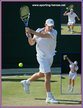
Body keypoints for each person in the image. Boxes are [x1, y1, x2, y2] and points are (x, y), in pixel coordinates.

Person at [21, 19, 59, 104]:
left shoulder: (54, 32)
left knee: (42, 74)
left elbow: (42, 36)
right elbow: (31, 43)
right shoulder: (38, 30)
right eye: (49, 26)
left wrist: (31, 31)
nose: (51, 28)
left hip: (50, 56)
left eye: (52, 26)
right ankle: (49, 97)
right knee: (48, 74)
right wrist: (29, 35)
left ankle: (27, 82)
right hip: (41, 56)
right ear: (45, 25)